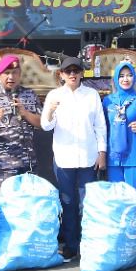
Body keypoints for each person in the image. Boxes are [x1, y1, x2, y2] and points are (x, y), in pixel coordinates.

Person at [40, 57, 106, 260]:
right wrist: (50, 111)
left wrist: (102, 152)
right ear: (61, 74)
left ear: (81, 73)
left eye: (76, 71)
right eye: (68, 71)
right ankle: (70, 245)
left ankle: (88, 244)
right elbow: (46, 126)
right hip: (64, 157)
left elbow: (100, 126)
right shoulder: (54, 95)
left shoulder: (92, 95)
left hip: (88, 156)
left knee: (87, 204)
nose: (72, 74)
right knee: (68, 203)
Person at [0, 55, 43, 195]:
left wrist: (25, 113)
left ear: (20, 74)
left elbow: (42, 123)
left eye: (15, 72)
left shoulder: (29, 94)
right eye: (7, 73)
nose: (11, 77)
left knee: (30, 203)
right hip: (4, 165)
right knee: (6, 204)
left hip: (28, 163)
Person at [102, 61, 136, 205]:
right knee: (117, 203)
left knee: (135, 202)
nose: (126, 79)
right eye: (122, 76)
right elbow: (102, 128)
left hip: (135, 157)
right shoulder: (107, 101)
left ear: (134, 78)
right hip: (113, 159)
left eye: (129, 75)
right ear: (116, 78)